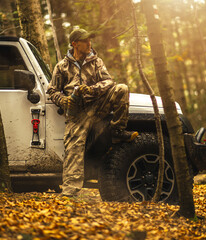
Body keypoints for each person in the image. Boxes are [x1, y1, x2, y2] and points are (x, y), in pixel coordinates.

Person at [47, 28, 138, 197]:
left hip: (98, 105)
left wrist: (91, 90)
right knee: (73, 148)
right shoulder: (62, 66)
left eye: (90, 40)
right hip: (77, 114)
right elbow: (52, 91)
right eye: (85, 40)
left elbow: (109, 81)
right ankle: (69, 193)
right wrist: (64, 100)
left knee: (122, 89)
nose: (89, 43)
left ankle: (117, 131)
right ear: (75, 44)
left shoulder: (97, 61)